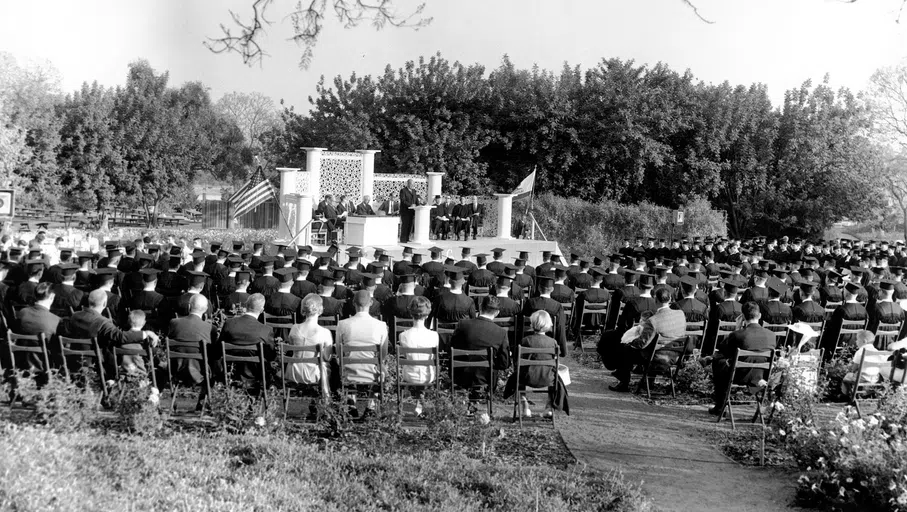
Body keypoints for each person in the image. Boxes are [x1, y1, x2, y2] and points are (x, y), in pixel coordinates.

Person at [608, 287, 687, 392]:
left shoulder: (653, 320)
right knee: (653, 347)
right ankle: (649, 382)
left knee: (627, 349)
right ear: (670, 299)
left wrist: (630, 341)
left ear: (656, 300)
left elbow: (642, 344)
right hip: (676, 356)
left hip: (657, 357)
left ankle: (624, 383)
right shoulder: (680, 314)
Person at [709, 302, 776, 415]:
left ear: (743, 317)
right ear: (759, 316)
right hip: (761, 375)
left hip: (739, 375)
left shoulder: (738, 335)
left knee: (718, 361)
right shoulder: (771, 335)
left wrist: (737, 329)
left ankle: (720, 406)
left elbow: (723, 350)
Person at [336, 290, 389, 417]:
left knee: (343, 363)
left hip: (349, 371)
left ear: (353, 303)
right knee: (384, 370)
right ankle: (371, 406)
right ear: (371, 303)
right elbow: (384, 353)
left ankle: (350, 404)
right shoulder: (381, 325)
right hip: (372, 372)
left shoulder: (342, 324)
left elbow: (339, 352)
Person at [450, 296, 510, 396]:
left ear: (480, 307)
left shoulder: (462, 324)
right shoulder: (501, 332)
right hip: (486, 377)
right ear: (497, 312)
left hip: (461, 374)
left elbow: (452, 348)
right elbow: (504, 363)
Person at [505, 310, 559, 419]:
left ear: (532, 324)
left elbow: (518, 361)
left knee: (518, 375)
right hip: (547, 378)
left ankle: (525, 406)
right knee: (556, 378)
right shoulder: (553, 342)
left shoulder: (525, 340)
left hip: (527, 378)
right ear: (548, 325)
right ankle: (548, 407)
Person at [216, 293, 274, 390]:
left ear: (246, 305)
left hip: (232, 373)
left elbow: (219, 348)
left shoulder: (229, 323)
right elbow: (271, 355)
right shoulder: (266, 330)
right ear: (262, 310)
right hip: (256, 375)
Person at [286, 293, 334, 400]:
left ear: (303, 310)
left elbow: (291, 346)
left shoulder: (294, 328)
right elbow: (327, 357)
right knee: (329, 365)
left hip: (293, 372)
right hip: (313, 374)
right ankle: (325, 400)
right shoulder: (325, 332)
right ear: (320, 310)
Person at [398, 296, 439, 416]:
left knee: (414, 364)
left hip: (409, 375)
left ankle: (419, 402)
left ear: (411, 314)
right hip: (428, 376)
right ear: (427, 315)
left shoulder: (403, 335)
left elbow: (406, 355)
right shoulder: (434, 335)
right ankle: (420, 404)